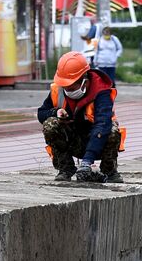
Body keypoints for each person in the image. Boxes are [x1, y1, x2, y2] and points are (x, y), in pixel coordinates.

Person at [36, 51, 122, 183]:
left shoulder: (102, 92)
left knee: (111, 130)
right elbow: (41, 113)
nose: (67, 90)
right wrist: (56, 112)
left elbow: (102, 125)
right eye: (65, 86)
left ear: (84, 80)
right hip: (74, 141)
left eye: (71, 87)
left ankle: (109, 172)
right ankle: (66, 169)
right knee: (50, 124)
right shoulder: (59, 89)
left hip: (98, 142)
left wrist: (87, 161)